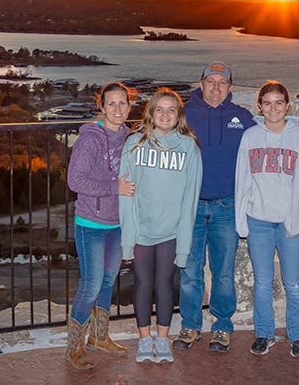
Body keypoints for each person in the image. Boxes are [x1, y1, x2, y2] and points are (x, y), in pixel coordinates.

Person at [174, 61, 254, 353]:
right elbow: (156, 139)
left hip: (226, 207)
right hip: (191, 208)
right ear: (201, 84)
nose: (216, 87)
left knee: (223, 272)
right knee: (190, 270)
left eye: (222, 82)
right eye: (211, 81)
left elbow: (263, 142)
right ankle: (191, 326)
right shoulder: (184, 114)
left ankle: (221, 327)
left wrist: (291, 127)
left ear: (230, 88)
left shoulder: (242, 117)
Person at [119, 88, 202, 363]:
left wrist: (184, 244)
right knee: (142, 284)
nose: (165, 115)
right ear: (150, 113)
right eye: (159, 109)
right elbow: (126, 196)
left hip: (171, 232)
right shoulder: (134, 143)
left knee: (165, 284)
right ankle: (144, 340)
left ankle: (163, 340)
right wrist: (127, 240)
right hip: (141, 230)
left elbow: (190, 199)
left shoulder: (189, 147)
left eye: (171, 110)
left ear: (178, 115)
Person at [235, 80, 299, 358]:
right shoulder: (250, 137)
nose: (273, 108)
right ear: (259, 106)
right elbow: (242, 181)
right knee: (263, 281)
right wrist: (241, 220)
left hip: (289, 221)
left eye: (278, 102)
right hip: (258, 220)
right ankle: (264, 333)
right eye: (267, 103)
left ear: (287, 106)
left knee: (293, 281)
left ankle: (297, 335)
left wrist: (296, 222)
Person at [65, 82, 133, 370]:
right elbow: (75, 181)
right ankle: (74, 347)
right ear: (102, 107)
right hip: (90, 223)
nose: (117, 109)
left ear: (130, 107)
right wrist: (113, 187)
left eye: (122, 103)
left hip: (117, 223)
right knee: (91, 284)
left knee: (108, 280)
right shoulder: (90, 139)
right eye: (112, 104)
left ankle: (99, 337)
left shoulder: (130, 137)